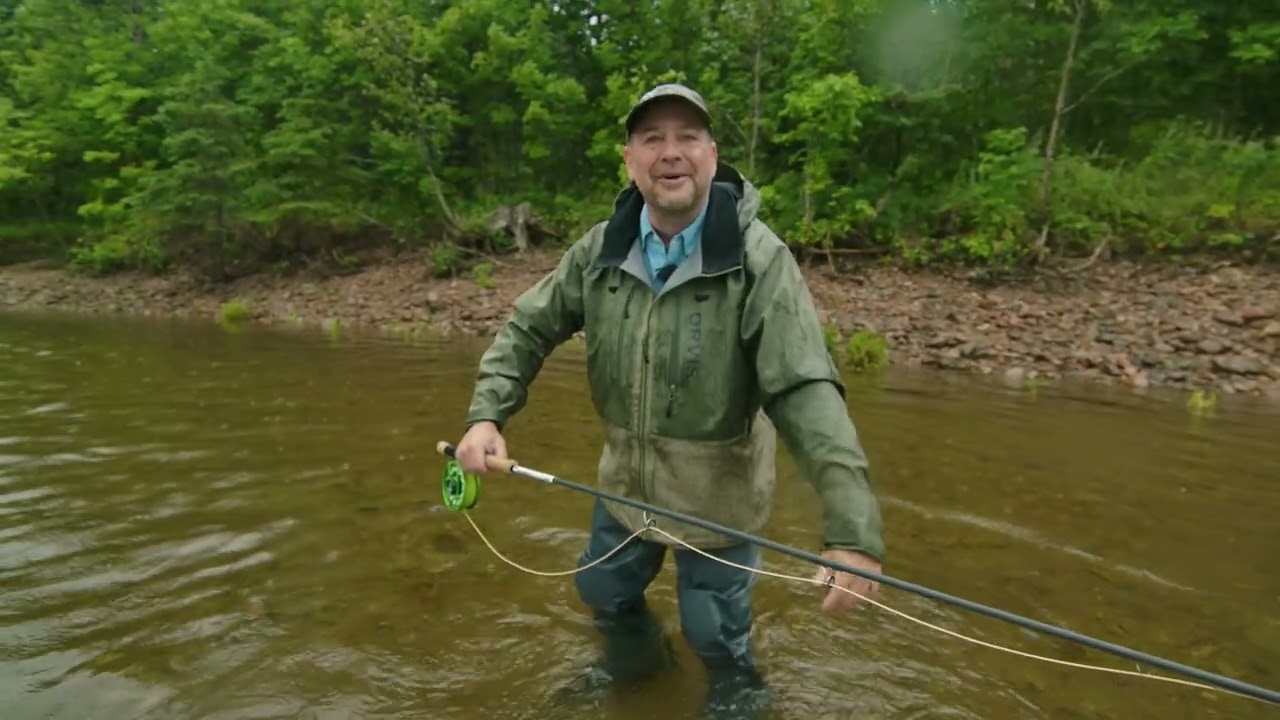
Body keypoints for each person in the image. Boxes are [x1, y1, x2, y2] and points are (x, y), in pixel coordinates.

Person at [454, 83, 886, 718]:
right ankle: (636, 670)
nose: (670, 152)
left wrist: (852, 530)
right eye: (652, 138)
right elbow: (528, 328)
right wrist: (486, 413)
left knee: (712, 633)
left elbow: (804, 391)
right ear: (629, 159)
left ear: (712, 155)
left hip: (719, 501)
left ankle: (737, 692)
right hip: (624, 486)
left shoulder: (759, 259)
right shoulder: (598, 251)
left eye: (686, 136)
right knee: (601, 589)